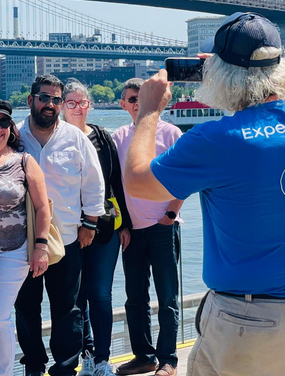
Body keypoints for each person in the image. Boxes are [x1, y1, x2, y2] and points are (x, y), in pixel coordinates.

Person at [124, 12, 285, 376]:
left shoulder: (216, 139)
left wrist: (149, 111)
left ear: (220, 75)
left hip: (249, 322)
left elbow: (138, 181)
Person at [15, 75, 106, 376]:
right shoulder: (14, 137)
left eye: (56, 99)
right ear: (30, 101)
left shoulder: (75, 137)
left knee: (68, 309)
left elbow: (93, 182)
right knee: (26, 307)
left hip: (67, 236)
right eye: (44, 98)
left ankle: (66, 367)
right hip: (23, 239)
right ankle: (33, 365)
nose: (50, 105)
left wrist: (90, 223)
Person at [0, 98, 51, 376]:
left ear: (11, 127)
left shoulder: (24, 161)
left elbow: (42, 207)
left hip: (13, 252)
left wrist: (40, 247)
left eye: (4, 122)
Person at [112, 78, 183, 376]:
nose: (137, 104)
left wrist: (170, 214)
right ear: (123, 104)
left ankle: (168, 360)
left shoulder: (171, 132)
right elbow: (113, 183)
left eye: (142, 99)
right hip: (132, 230)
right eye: (131, 100)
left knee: (167, 296)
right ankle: (144, 356)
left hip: (163, 225)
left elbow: (184, 177)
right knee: (135, 297)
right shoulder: (117, 137)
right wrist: (122, 225)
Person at [60, 80, 131, 376]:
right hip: (66, 229)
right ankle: (86, 354)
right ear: (63, 106)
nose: (78, 108)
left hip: (103, 228)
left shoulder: (102, 137)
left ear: (90, 106)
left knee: (100, 293)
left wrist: (125, 224)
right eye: (71, 103)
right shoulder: (55, 137)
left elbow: (116, 184)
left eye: (83, 103)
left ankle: (103, 359)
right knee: (77, 297)